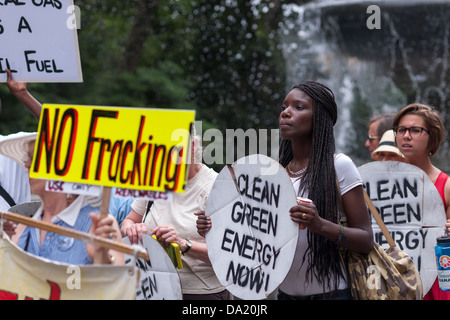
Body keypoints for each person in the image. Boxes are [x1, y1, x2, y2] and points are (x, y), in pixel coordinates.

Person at [198, 81, 373, 300]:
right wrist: (214, 226)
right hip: (285, 295)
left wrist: (319, 225)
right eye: (284, 107)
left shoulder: (339, 166)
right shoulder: (274, 174)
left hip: (332, 294)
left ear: (319, 117)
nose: (286, 113)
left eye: (298, 107)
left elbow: (366, 239)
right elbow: (253, 235)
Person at [121, 133, 229, 300]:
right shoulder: (155, 179)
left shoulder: (215, 187)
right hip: (152, 287)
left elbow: (228, 255)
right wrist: (132, 229)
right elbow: (128, 221)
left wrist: (182, 244)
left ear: (193, 147)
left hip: (199, 294)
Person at [393, 103, 450, 300]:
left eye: (415, 130)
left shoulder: (446, 185)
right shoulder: (383, 184)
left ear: (432, 138)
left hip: (435, 282)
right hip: (395, 281)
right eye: (401, 130)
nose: (406, 136)